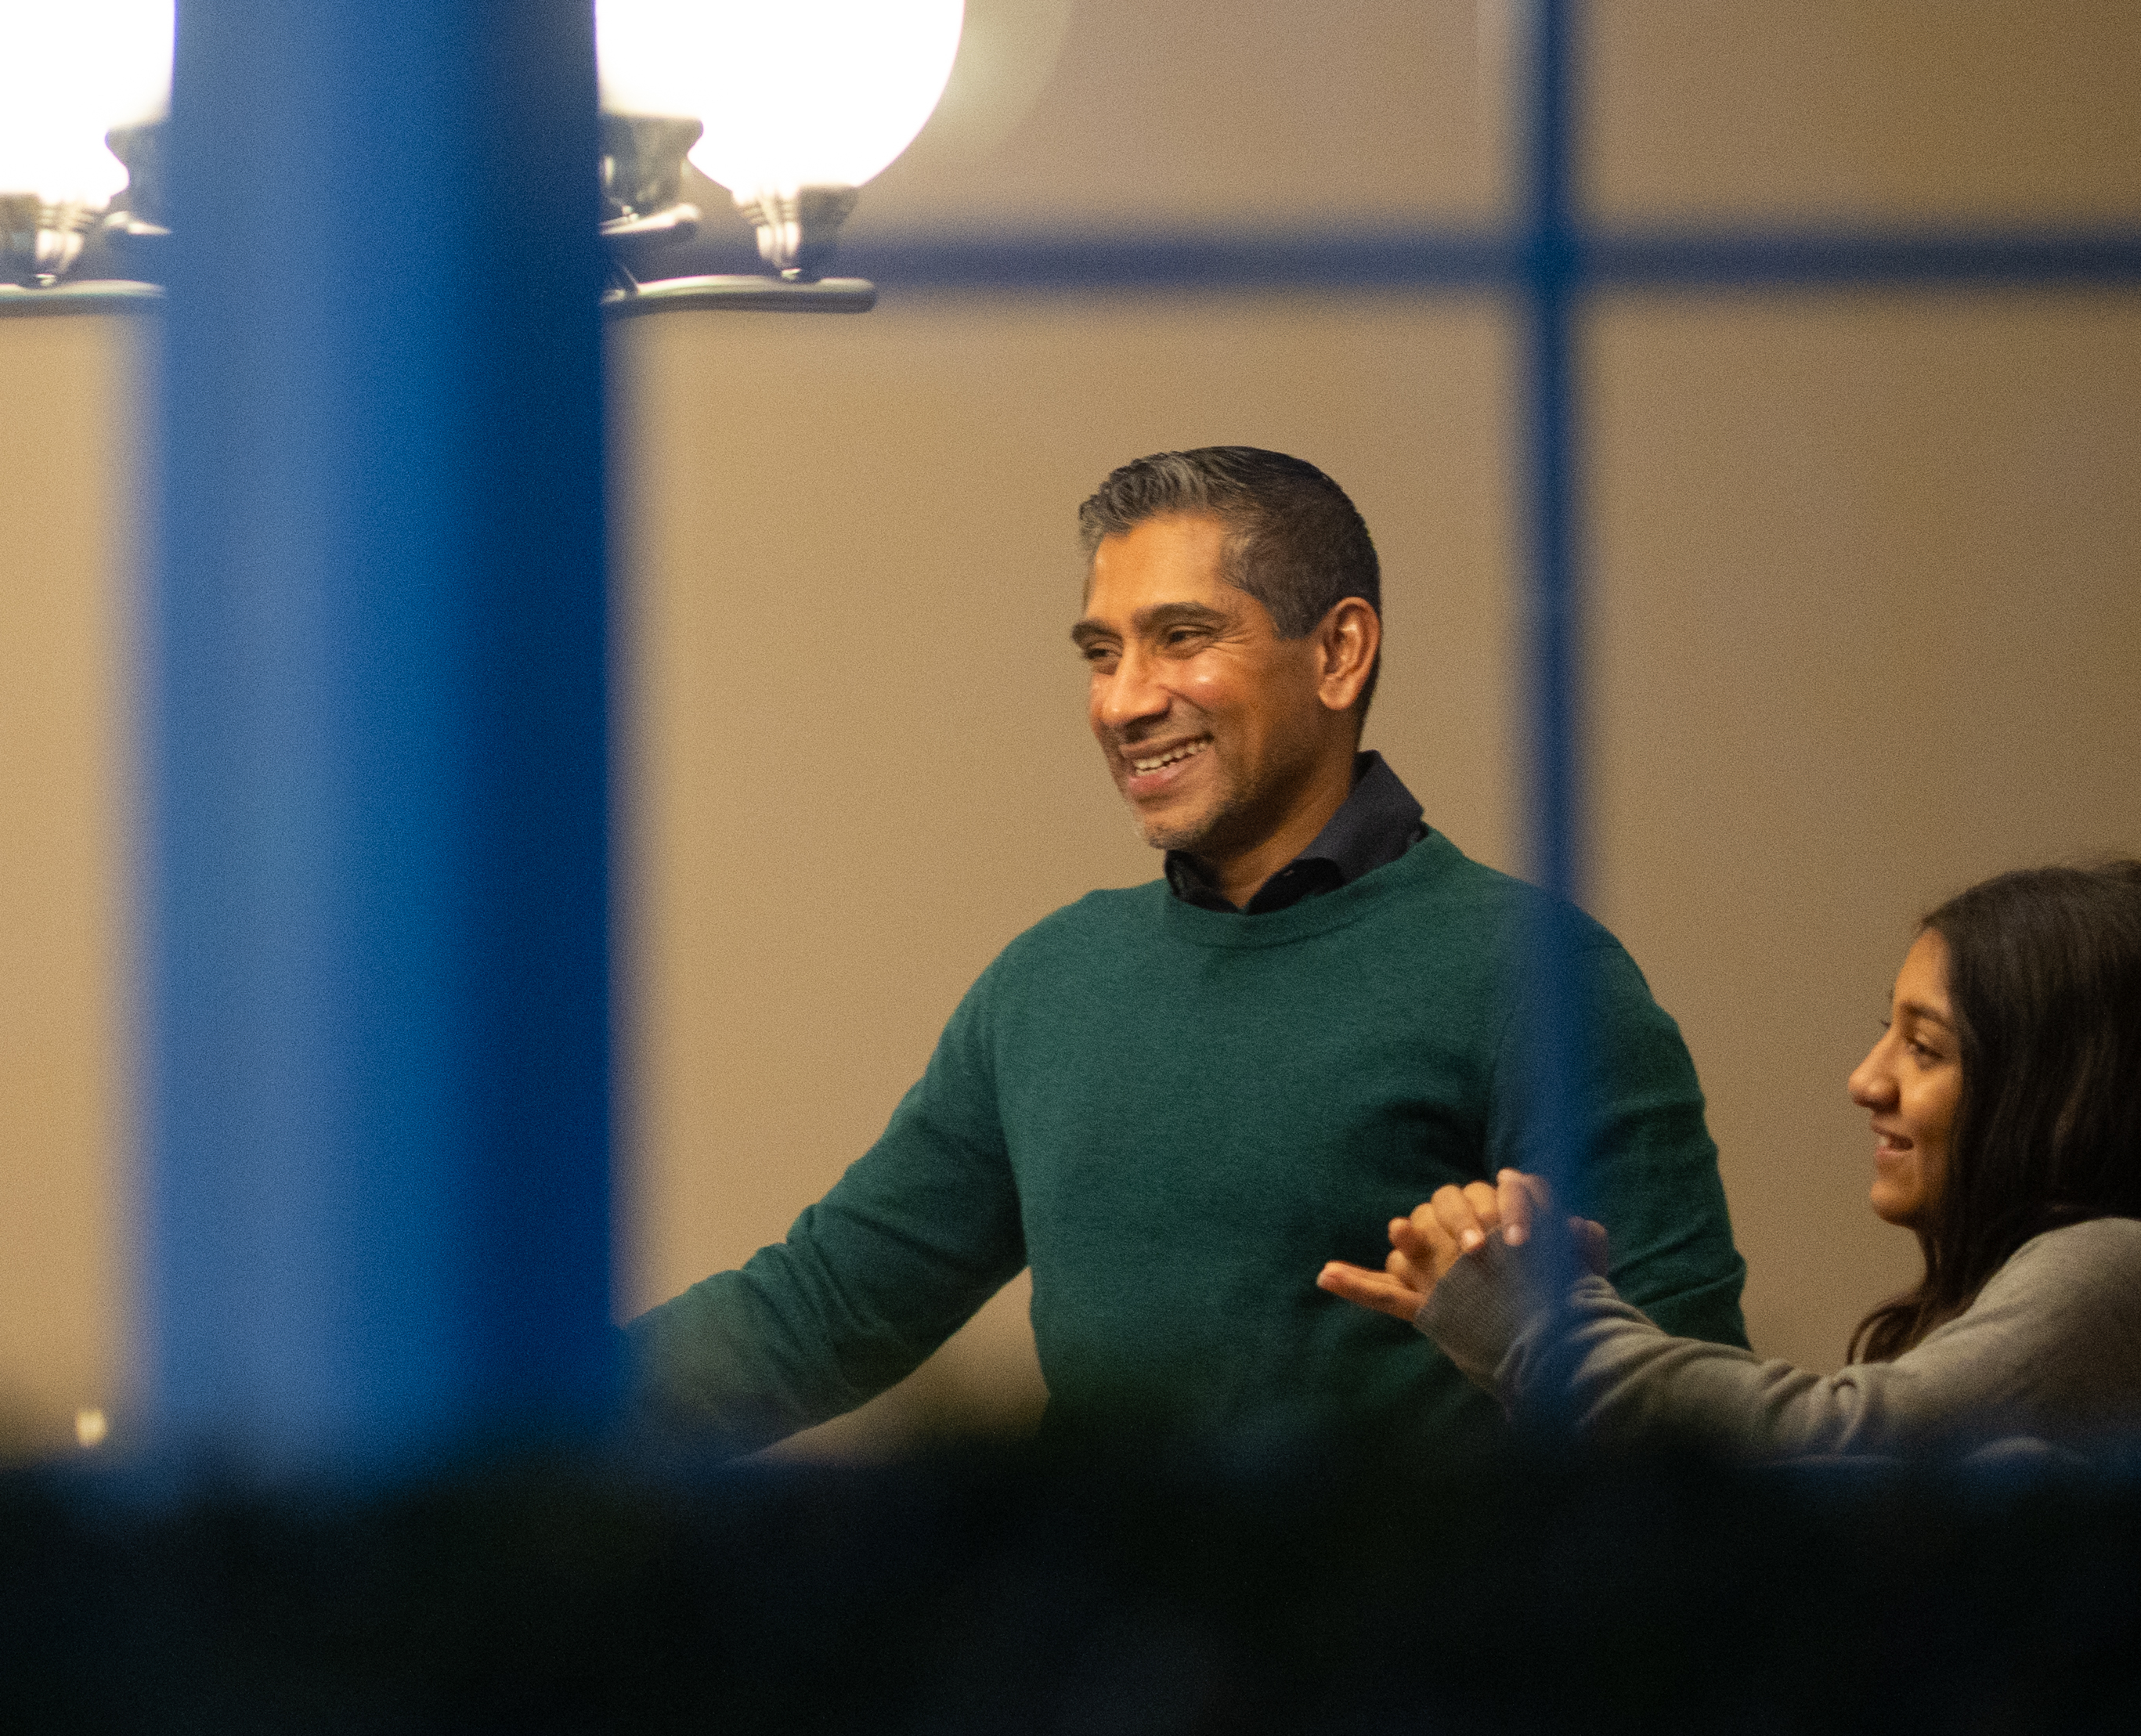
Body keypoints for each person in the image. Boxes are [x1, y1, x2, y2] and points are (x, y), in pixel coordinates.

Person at [626, 446, 1745, 1448]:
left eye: (1182, 638)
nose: (1123, 701)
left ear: (1340, 651)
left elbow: (1695, 1421)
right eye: (1101, 652)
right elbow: (823, 1307)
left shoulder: (1536, 975)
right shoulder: (1049, 982)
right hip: (1093, 1659)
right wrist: (507, 1407)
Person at [1322, 859, 2141, 1456]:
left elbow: (1833, 1449)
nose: (1866, 1079)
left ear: (2070, 1094)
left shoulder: (2125, 1268)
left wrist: (1550, 1326)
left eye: (1925, 1049)